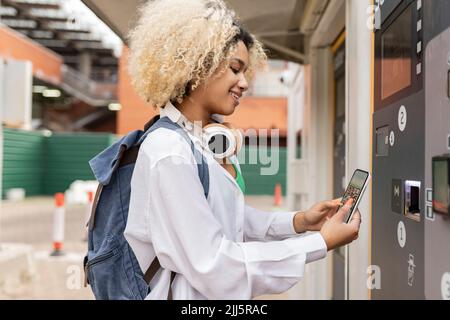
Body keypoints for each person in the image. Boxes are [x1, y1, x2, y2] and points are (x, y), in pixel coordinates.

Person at [124, 0, 361, 300]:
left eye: (246, 72)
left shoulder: (196, 140)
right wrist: (320, 244)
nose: (245, 83)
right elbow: (215, 267)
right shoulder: (170, 152)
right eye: (235, 69)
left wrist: (300, 221)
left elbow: (230, 220)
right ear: (198, 63)